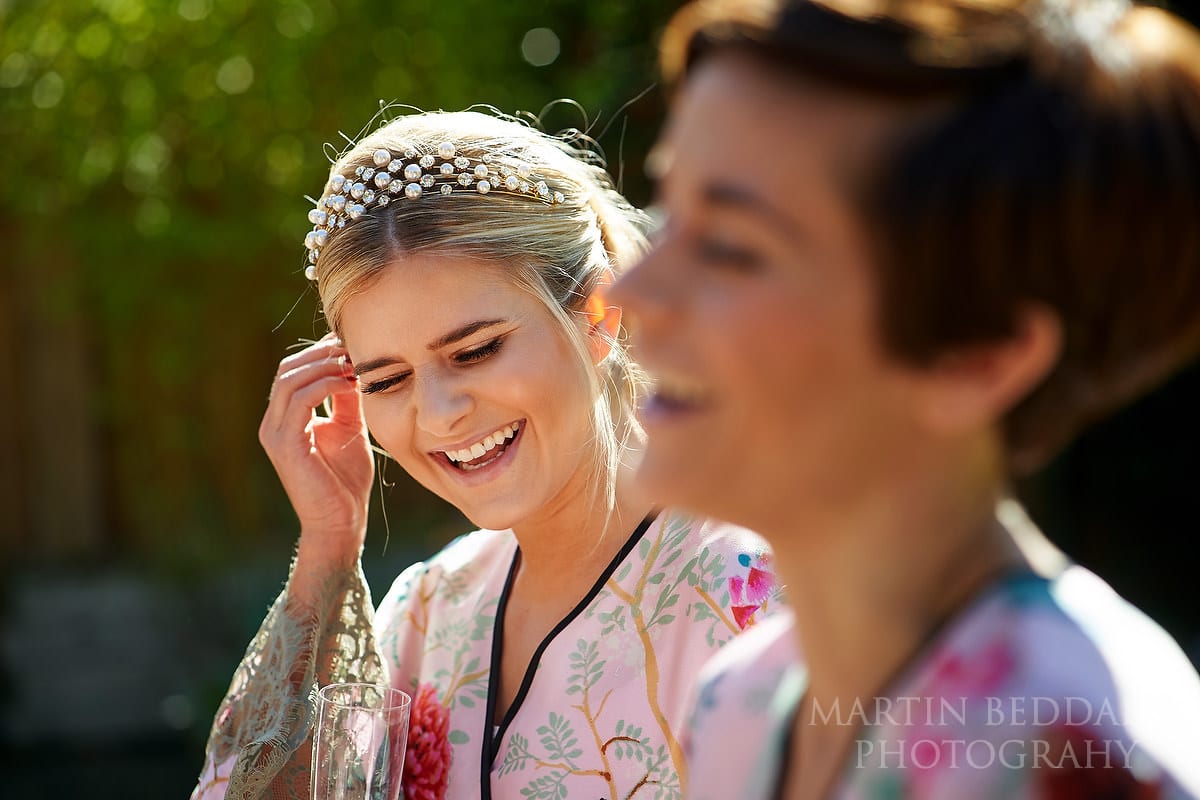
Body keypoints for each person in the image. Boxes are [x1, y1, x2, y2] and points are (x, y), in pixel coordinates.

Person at [609, 0, 1200, 796]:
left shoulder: (1078, 754)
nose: (632, 288)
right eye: (667, 211)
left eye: (730, 247)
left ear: (978, 355)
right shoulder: (741, 701)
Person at [189, 109, 778, 800]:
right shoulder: (426, 614)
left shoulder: (754, 590)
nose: (438, 413)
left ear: (596, 315)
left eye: (475, 350)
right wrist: (327, 544)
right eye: (385, 379)